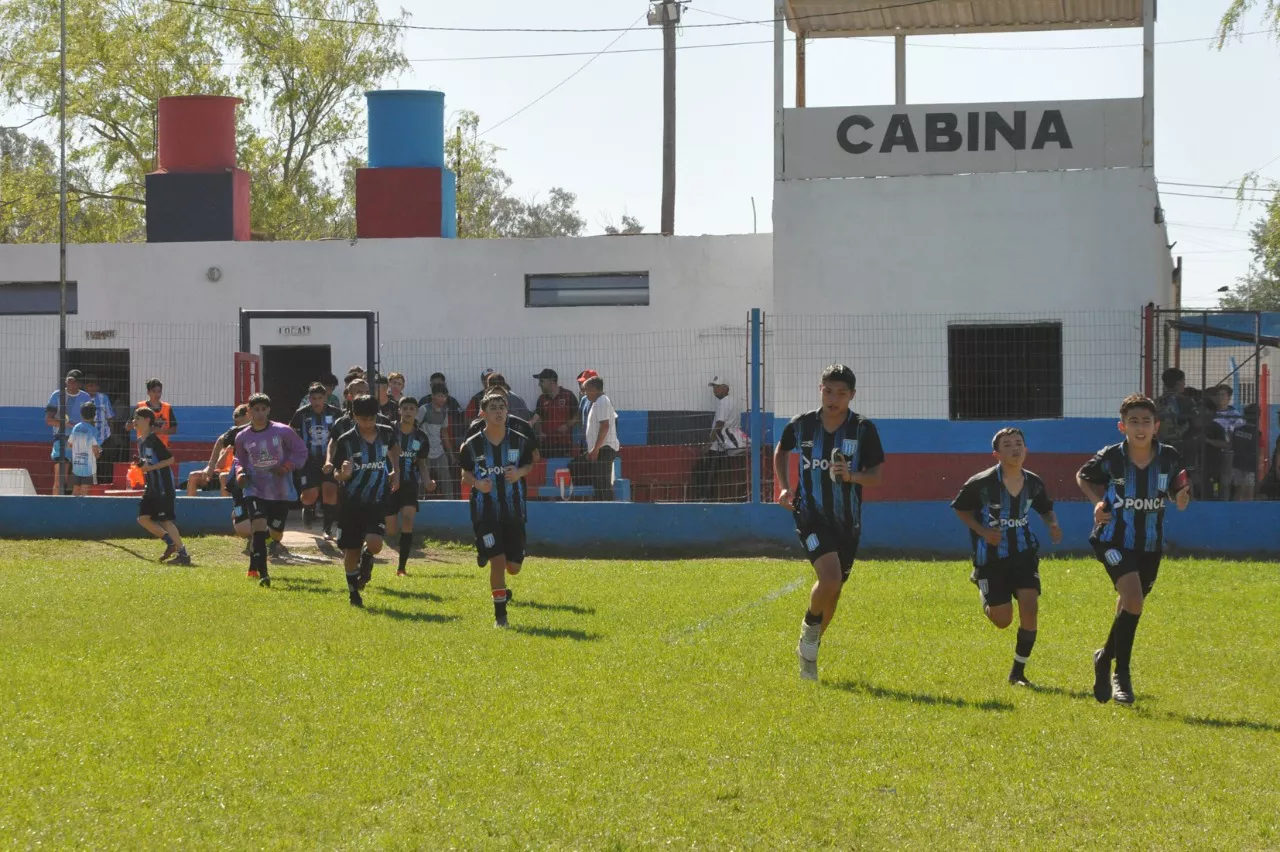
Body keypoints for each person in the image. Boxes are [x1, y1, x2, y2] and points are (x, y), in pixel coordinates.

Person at [1077, 393, 1191, 706]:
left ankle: (1104, 656)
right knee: (1134, 600)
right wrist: (1097, 503)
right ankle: (1121, 677)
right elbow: (1083, 477)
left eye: (1145, 421)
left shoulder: (1168, 456)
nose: (1139, 427)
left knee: (1129, 605)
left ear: (1157, 426)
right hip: (1111, 539)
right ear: (1121, 426)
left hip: (1150, 546)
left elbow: (1177, 489)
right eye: (1133, 421)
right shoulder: (1112, 456)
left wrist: (1181, 497)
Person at [774, 364, 885, 682]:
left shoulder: (863, 429)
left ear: (852, 395)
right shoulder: (802, 425)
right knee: (830, 577)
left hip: (847, 521)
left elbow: (877, 476)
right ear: (819, 389)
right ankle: (809, 633)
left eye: (841, 393)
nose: (833, 398)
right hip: (810, 514)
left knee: (834, 592)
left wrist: (852, 476)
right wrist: (783, 486)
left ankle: (811, 648)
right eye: (828, 391)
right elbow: (782, 451)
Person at [951, 428, 1062, 687]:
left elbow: (1046, 509)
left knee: (1030, 608)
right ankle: (980, 582)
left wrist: (1052, 524)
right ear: (996, 454)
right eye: (1008, 445)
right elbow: (960, 509)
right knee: (1003, 620)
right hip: (991, 558)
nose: (1015, 448)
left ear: (1026, 450)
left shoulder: (1033, 482)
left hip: (1024, 553)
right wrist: (983, 532)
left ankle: (1018, 673)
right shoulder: (982, 482)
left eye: (1019, 444)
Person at [458, 390, 536, 628]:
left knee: (514, 567)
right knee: (498, 561)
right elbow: (464, 474)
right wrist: (477, 483)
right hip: (485, 512)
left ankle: (501, 588)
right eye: (493, 408)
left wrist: (520, 473)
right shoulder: (472, 445)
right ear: (482, 413)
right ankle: (500, 617)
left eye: (502, 407)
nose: (499, 411)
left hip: (513, 510)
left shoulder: (518, 440)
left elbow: (529, 464)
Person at [332, 394, 401, 608]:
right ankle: (354, 593)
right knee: (350, 551)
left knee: (375, 543)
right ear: (354, 417)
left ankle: (368, 555)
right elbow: (337, 473)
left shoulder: (386, 433)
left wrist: (395, 471)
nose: (368, 423)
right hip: (351, 502)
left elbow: (394, 450)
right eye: (363, 419)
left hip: (378, 498)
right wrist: (343, 474)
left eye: (371, 418)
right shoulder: (346, 440)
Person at [234, 393, 309, 587]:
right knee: (258, 526)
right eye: (256, 410)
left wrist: (285, 467)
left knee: (275, 532)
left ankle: (256, 556)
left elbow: (301, 451)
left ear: (269, 410)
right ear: (249, 411)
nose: (260, 413)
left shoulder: (283, 431)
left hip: (280, 490)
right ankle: (264, 575)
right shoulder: (242, 436)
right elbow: (239, 459)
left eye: (263, 409)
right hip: (254, 489)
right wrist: (241, 472)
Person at [131, 407, 191, 565]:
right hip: (151, 486)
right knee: (143, 518)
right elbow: (149, 461)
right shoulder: (140, 441)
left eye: (137, 418)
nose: (134, 422)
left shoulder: (153, 440)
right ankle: (170, 543)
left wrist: (149, 468)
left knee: (166, 521)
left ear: (147, 420)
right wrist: (141, 464)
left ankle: (184, 554)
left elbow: (170, 460)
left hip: (163, 486)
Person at [387, 396, 436, 576]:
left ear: (416, 412)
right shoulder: (388, 431)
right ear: (399, 410)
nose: (408, 412)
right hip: (389, 484)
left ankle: (402, 568)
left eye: (411, 409)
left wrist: (428, 480)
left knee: (408, 520)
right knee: (391, 530)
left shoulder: (421, 437)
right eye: (405, 408)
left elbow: (421, 463)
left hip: (409, 484)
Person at [290, 383, 343, 538]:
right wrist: (296, 449)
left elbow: (343, 432)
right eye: (314, 398)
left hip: (330, 459)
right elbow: (290, 430)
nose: (317, 401)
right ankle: (307, 509)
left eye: (320, 398)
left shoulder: (335, 413)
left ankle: (327, 528)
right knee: (310, 495)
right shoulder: (302, 413)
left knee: (330, 492)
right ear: (309, 398)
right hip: (309, 460)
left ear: (325, 398)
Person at [691, 377, 750, 502]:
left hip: (719, 444)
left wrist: (708, 444)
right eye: (713, 387)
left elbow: (719, 424)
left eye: (717, 387)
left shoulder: (724, 402)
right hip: (728, 444)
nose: (714, 390)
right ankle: (715, 498)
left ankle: (704, 498)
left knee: (704, 471)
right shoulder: (734, 401)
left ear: (726, 388)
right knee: (717, 474)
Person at [569, 376, 620, 501]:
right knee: (594, 478)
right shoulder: (598, 402)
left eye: (585, 390)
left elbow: (605, 426)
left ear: (593, 389)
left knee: (602, 483)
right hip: (599, 449)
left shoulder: (602, 401)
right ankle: (602, 505)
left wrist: (596, 449)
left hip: (604, 449)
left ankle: (608, 508)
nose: (583, 394)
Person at [45, 370, 92, 494]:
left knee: (78, 481)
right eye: (69, 381)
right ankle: (55, 508)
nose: (71, 384)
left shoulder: (86, 397)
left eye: (74, 381)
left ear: (80, 383)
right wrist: (66, 424)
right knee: (61, 479)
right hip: (62, 441)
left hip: (80, 442)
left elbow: (90, 420)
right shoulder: (57, 395)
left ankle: (74, 509)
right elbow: (49, 420)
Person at [419, 382, 459, 499]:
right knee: (422, 481)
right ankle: (417, 503)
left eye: (445, 396)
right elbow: (414, 429)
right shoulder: (424, 410)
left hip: (439, 451)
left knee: (446, 479)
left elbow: (444, 433)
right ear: (433, 396)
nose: (443, 399)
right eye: (440, 396)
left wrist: (451, 455)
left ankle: (450, 503)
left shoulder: (444, 412)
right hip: (424, 452)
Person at [530, 369, 581, 458]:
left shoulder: (568, 396)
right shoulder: (542, 399)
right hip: (546, 445)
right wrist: (539, 432)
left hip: (564, 445)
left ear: (551, 381)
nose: (539, 384)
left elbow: (578, 416)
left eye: (541, 381)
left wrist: (567, 426)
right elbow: (538, 417)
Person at [82, 375, 116, 480]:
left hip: (104, 437)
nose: (93, 388)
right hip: (88, 438)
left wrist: (112, 434)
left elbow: (110, 416)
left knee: (105, 465)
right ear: (85, 387)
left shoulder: (103, 398)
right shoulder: (81, 398)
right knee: (90, 464)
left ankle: (104, 485)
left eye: (95, 386)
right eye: (90, 385)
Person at [67, 402, 102, 497]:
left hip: (77, 466)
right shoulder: (93, 430)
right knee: (85, 494)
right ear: (94, 415)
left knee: (75, 492)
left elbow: (69, 445)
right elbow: (95, 448)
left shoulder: (76, 427)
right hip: (89, 468)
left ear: (81, 414)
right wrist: (98, 455)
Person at [135, 378, 177, 448]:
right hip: (145, 446)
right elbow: (129, 426)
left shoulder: (167, 407)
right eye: (154, 391)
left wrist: (160, 431)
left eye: (159, 391)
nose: (157, 394)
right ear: (148, 392)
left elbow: (174, 429)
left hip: (162, 448)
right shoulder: (140, 406)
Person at [1231, 404, 1261, 502]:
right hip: (1250, 467)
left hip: (1237, 464)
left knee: (1238, 491)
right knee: (1248, 493)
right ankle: (1247, 514)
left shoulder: (1237, 430)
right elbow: (1260, 452)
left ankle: (1236, 513)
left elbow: (1231, 445)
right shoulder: (1257, 433)